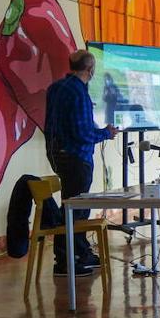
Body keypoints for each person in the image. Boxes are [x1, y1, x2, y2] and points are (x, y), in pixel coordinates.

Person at [43, 50, 118, 277]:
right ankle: (67, 261)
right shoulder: (78, 94)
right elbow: (82, 133)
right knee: (75, 210)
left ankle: (80, 253)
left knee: (70, 206)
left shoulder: (56, 88)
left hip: (58, 155)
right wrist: (106, 133)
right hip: (77, 158)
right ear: (90, 70)